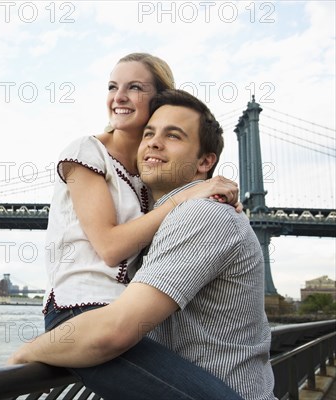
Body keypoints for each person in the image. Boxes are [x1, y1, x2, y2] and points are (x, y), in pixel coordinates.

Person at [9, 89, 276, 400]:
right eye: (149, 133)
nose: (153, 142)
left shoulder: (202, 214)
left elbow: (113, 332)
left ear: (205, 161)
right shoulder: (162, 222)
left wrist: (27, 353)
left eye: (173, 136)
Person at [43, 53, 240, 330]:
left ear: (159, 100)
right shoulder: (85, 152)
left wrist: (222, 196)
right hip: (79, 311)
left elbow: (192, 199)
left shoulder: (152, 169)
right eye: (113, 87)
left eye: (134, 87)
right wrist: (190, 195)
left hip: (126, 315)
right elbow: (110, 248)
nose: (119, 97)